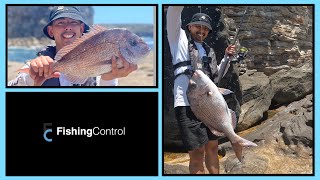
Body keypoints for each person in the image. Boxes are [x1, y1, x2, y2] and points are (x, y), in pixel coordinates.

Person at [166, 6, 236, 174]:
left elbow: (216, 77)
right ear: (189, 27)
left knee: (212, 148)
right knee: (197, 153)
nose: (202, 30)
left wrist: (226, 57)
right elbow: (173, 13)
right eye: (198, 26)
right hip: (186, 104)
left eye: (205, 28)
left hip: (209, 104)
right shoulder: (178, 39)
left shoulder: (208, 50)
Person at [8, 6, 137, 86]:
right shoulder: (39, 64)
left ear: (81, 29)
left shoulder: (99, 66)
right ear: (51, 31)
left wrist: (110, 77)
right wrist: (32, 77)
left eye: (73, 22)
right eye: (60, 22)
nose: (68, 26)